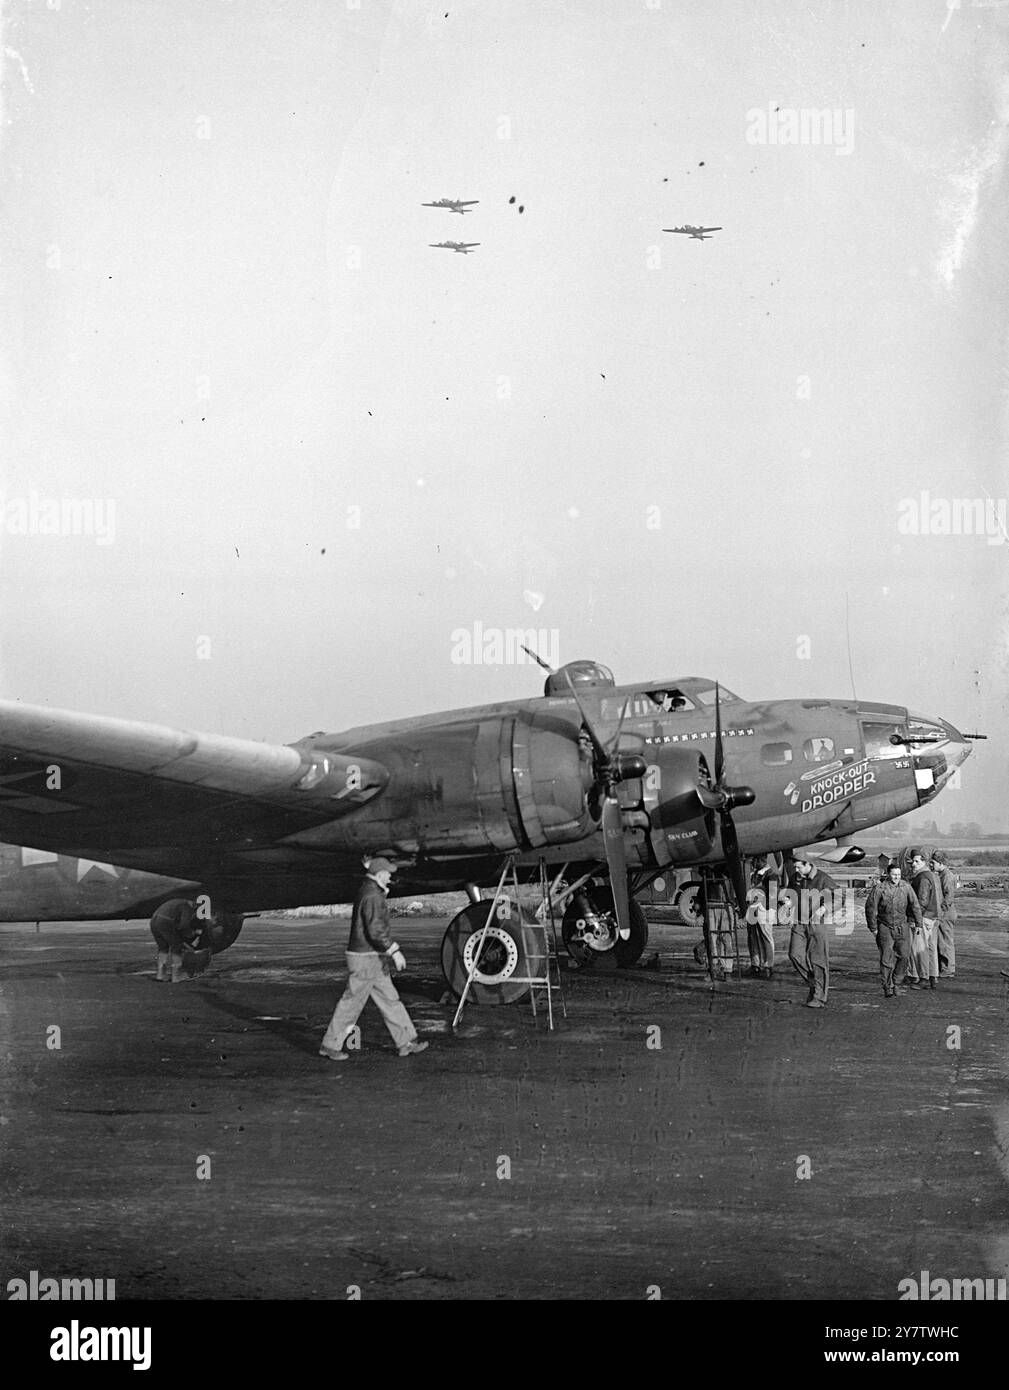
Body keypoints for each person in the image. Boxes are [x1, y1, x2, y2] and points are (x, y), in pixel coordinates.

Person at [319, 858, 428, 1060]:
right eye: (387, 873)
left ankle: (406, 1043)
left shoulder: (371, 892)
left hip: (371, 957)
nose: (390, 876)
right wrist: (394, 951)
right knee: (352, 1003)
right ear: (379, 875)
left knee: (390, 999)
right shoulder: (372, 895)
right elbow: (376, 930)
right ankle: (330, 1045)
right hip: (365, 957)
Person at [865, 860, 922, 998]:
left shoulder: (906, 887)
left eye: (899, 874)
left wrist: (918, 923)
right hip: (885, 926)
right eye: (894, 874)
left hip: (902, 926)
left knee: (904, 955)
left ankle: (897, 982)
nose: (897, 877)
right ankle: (888, 986)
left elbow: (915, 905)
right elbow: (871, 908)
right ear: (888, 875)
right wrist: (873, 928)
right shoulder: (879, 889)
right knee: (886, 958)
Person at [788, 858, 837, 1008]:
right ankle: (814, 983)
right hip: (799, 923)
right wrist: (788, 901)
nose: (796, 870)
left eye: (798, 867)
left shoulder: (823, 879)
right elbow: (790, 894)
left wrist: (825, 908)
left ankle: (819, 997)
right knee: (794, 954)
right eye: (795, 867)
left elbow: (838, 897)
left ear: (807, 864)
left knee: (819, 960)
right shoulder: (795, 878)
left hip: (817, 924)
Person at [909, 852, 943, 989]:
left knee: (919, 948)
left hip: (923, 918)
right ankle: (933, 977)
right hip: (934, 917)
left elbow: (922, 901)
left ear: (924, 862)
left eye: (916, 861)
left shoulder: (922, 878)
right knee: (931, 948)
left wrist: (916, 919)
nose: (913, 864)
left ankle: (923, 978)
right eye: (913, 861)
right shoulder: (933, 876)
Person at [150, 898, 203, 984]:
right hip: (165, 923)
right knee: (177, 947)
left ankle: (160, 975)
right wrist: (193, 933)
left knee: (163, 948)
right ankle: (176, 976)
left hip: (154, 921)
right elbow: (183, 926)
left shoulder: (177, 902)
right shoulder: (187, 907)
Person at [746, 860, 778, 979]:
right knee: (753, 937)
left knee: (765, 937)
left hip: (764, 910)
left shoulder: (771, 875)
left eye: (755, 860)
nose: (753, 862)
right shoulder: (756, 874)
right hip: (754, 908)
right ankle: (756, 964)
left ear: (762, 860)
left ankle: (768, 966)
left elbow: (773, 895)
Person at [931, 850, 957, 977]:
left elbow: (949, 896)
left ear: (940, 862)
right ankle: (945, 968)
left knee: (945, 941)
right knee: (942, 941)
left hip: (946, 913)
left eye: (933, 862)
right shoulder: (942, 875)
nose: (931, 865)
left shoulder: (946, 875)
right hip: (945, 911)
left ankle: (948, 969)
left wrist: (941, 910)